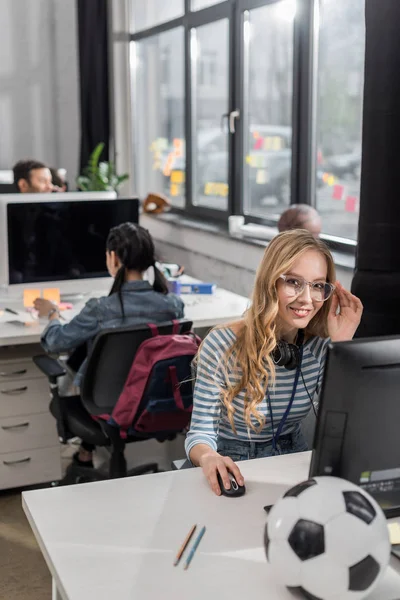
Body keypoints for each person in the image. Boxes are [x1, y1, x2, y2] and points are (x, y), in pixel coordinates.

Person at [185, 230, 362, 495]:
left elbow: (340, 427)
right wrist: (209, 457)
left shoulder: (318, 347)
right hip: (231, 462)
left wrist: (341, 345)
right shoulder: (222, 344)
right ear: (271, 283)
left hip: (294, 458)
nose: (306, 298)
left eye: (317, 285)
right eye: (294, 282)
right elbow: (199, 433)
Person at [34, 222, 185, 468]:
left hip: (107, 407)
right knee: (91, 350)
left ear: (113, 258)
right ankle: (87, 452)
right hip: (155, 402)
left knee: (86, 355)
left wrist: (52, 314)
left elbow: (54, 342)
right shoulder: (173, 304)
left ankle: (85, 454)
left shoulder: (101, 309)